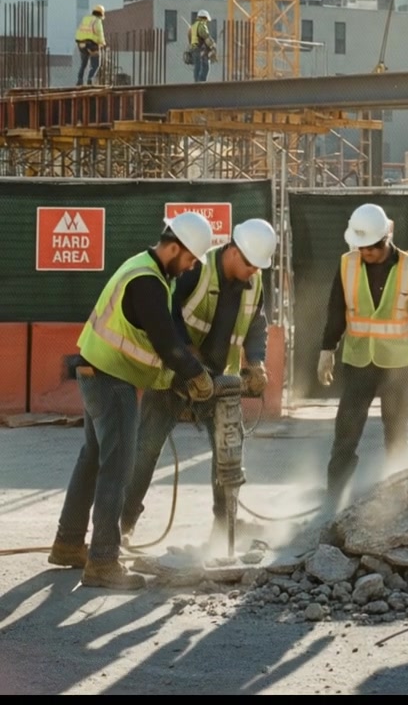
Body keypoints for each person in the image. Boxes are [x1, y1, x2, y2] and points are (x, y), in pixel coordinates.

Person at [47, 211, 216, 590]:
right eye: (190, 258)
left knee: (92, 459)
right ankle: (103, 561)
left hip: (95, 372)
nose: (191, 266)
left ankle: (68, 542)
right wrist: (196, 376)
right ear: (174, 248)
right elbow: (166, 342)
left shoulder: (145, 269)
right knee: (117, 468)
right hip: (112, 382)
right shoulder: (147, 282)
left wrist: (179, 373)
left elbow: (161, 336)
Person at [121, 218, 277, 545]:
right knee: (146, 447)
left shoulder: (255, 279)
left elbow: (256, 324)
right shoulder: (197, 270)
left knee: (228, 451)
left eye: (258, 267)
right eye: (250, 264)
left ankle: (224, 526)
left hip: (222, 381)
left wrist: (256, 362)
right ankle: (123, 524)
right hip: (174, 375)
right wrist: (188, 360)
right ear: (233, 251)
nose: (254, 271)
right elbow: (167, 315)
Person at [317, 202, 408, 509]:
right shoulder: (347, 264)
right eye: (360, 248)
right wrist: (327, 348)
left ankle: (401, 499)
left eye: (370, 248)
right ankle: (334, 499)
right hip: (358, 362)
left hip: (398, 364)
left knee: (397, 435)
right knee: (346, 433)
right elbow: (336, 309)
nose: (364, 253)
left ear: (385, 240)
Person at [74, 4, 106, 86]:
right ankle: (90, 79)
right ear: (101, 13)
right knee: (95, 64)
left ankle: (80, 80)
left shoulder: (85, 19)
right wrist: (102, 42)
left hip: (81, 44)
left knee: (83, 63)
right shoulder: (97, 21)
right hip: (92, 44)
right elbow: (100, 33)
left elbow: (80, 30)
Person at [188, 10, 215, 83]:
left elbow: (190, 39)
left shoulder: (193, 26)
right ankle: (202, 84)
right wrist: (212, 46)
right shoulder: (202, 26)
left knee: (197, 67)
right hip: (201, 50)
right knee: (205, 67)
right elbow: (206, 38)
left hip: (194, 50)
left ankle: (196, 83)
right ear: (204, 18)